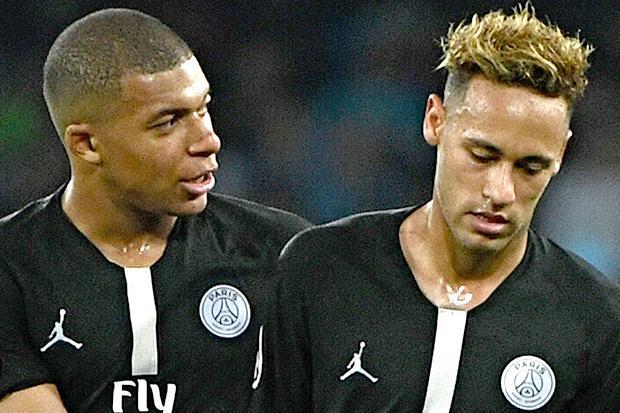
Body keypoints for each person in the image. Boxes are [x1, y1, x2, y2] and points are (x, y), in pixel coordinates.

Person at [266, 4, 620, 412]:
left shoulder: (595, 319)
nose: (500, 191)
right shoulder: (321, 269)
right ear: (436, 121)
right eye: (482, 155)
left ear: (561, 153)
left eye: (530, 167)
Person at [0, 8, 311, 412]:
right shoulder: (11, 266)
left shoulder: (282, 252)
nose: (208, 140)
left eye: (203, 109)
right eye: (168, 122)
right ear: (86, 144)